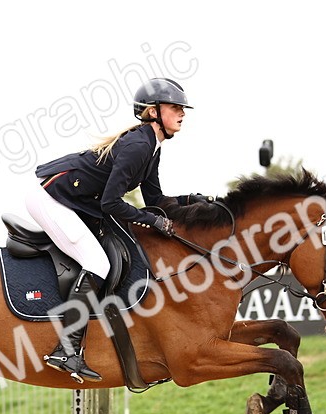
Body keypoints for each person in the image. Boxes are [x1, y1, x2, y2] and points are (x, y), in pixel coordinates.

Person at [27, 78, 206, 382]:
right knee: (97, 263)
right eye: (175, 107)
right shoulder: (138, 145)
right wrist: (153, 222)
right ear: (153, 112)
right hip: (51, 198)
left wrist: (192, 202)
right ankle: (66, 349)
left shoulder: (152, 147)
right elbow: (112, 203)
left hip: (74, 199)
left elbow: (155, 200)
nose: (182, 113)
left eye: (182, 108)